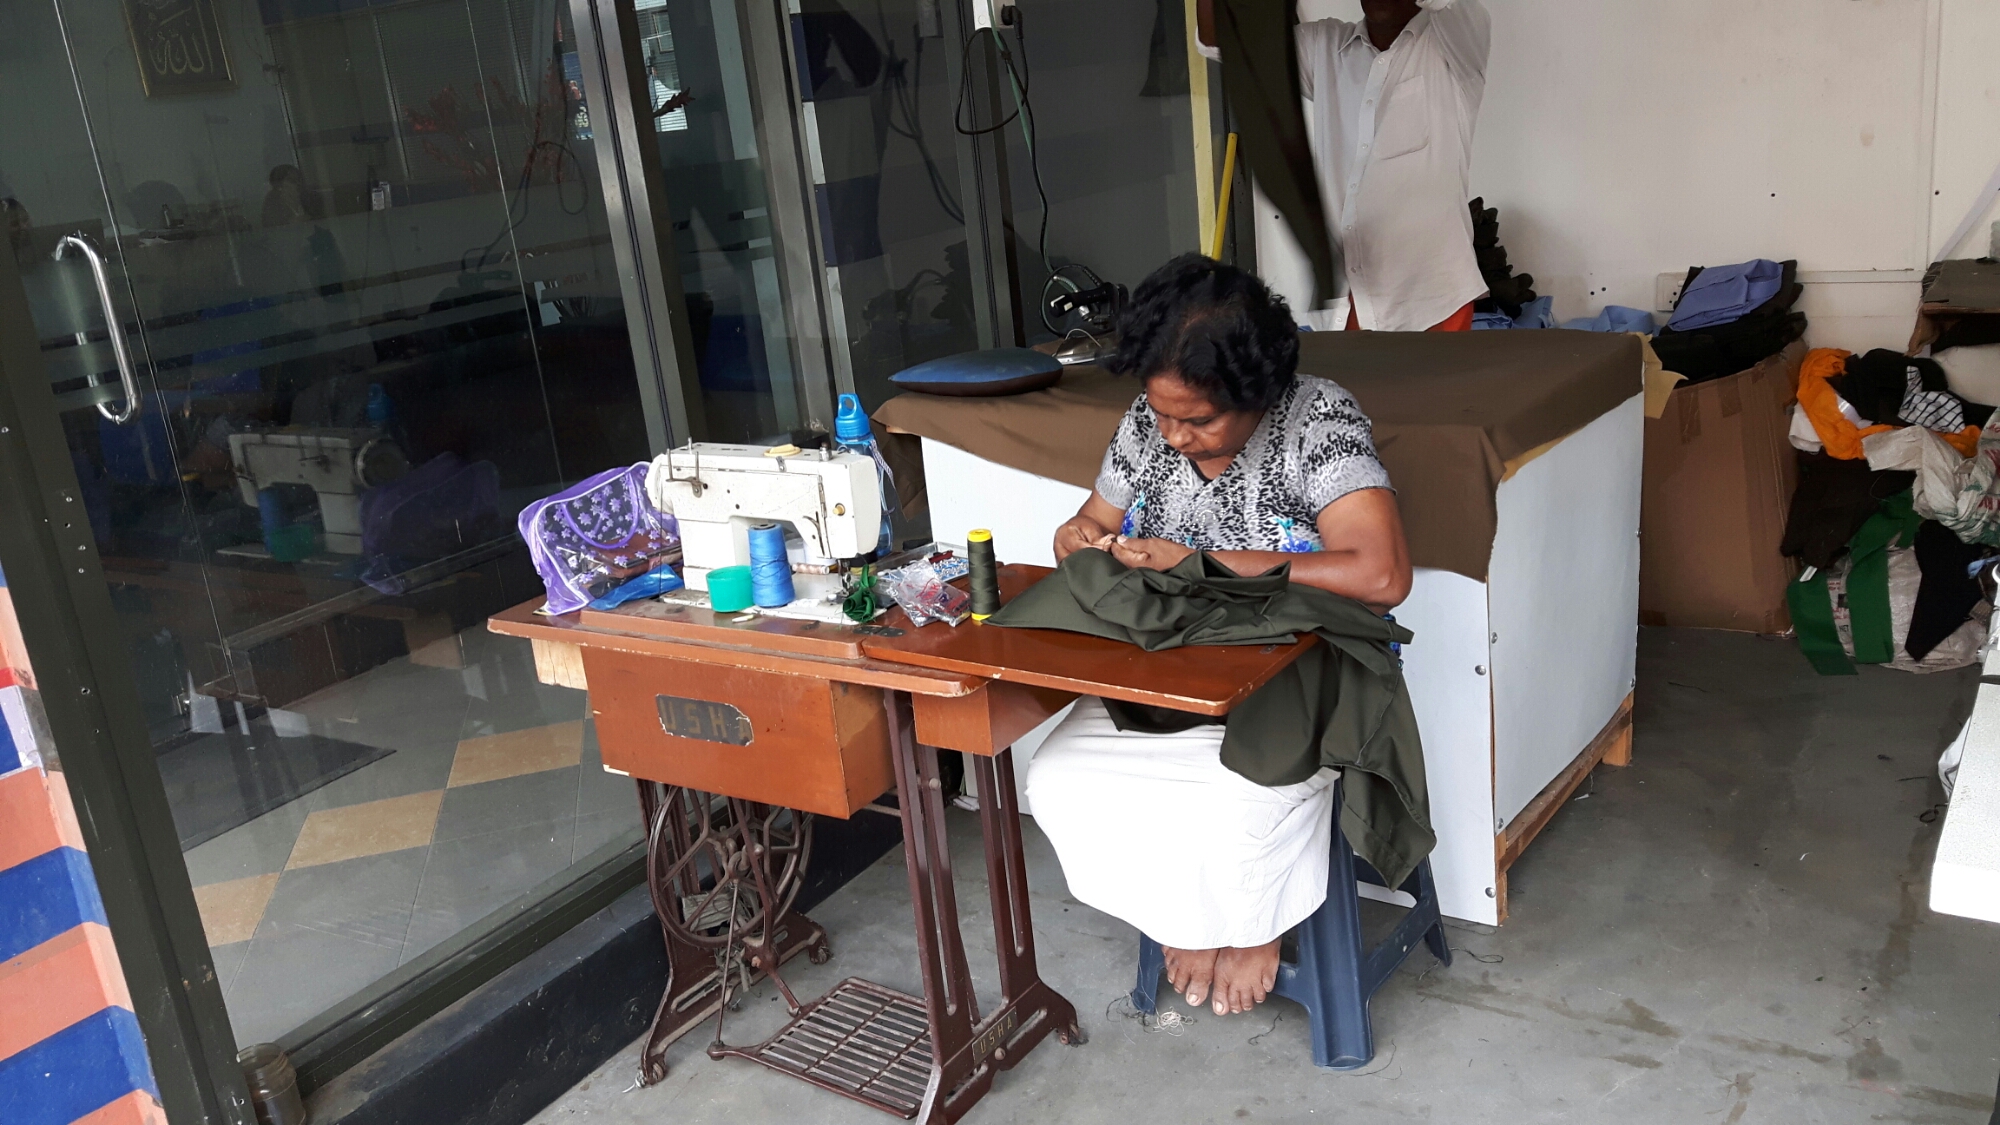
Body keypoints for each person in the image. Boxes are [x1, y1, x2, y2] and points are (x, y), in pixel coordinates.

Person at [1024, 254, 1411, 1017]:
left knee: (1234, 797)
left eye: (1198, 420)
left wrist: (1201, 565)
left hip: (1304, 670)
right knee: (1059, 779)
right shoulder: (1150, 424)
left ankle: (1253, 922)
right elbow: (1092, 519)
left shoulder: (1316, 420)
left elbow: (1381, 573)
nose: (1172, 436)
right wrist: (1078, 536)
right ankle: (1189, 914)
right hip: (1177, 668)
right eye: (1160, 413)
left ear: (1255, 391)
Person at [1198, 0, 1491, 332]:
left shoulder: (1457, 41)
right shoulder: (1325, 47)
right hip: (1347, 303)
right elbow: (1222, 38)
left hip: (1433, 302)